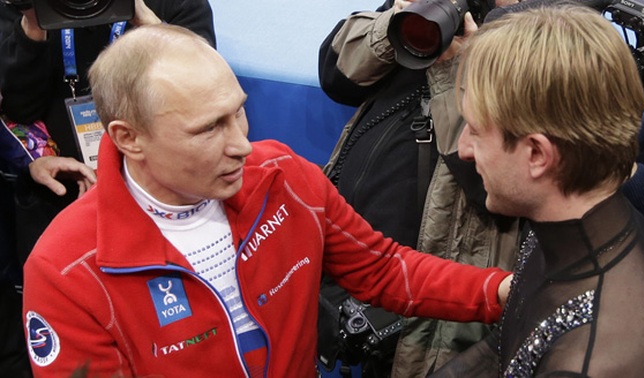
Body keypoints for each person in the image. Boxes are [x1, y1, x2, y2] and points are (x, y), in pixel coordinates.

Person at [22, 24, 515, 377]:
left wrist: (501, 293)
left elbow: (383, 270)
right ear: (129, 138)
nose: (241, 143)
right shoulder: (66, 270)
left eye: (238, 113)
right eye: (209, 128)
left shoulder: (284, 176)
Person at [431, 4, 644, 376]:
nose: (465, 149)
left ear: (537, 154)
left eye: (475, 129)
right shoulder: (574, 224)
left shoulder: (596, 361)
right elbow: (505, 345)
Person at [318, 1, 521, 376]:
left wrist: (459, 69)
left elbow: (495, 182)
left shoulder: (549, 32)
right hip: (356, 259)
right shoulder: (441, 7)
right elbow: (335, 75)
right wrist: (399, 20)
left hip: (434, 290)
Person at [0, 0, 216, 260]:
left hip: (165, 191)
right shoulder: (27, 7)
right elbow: (20, 109)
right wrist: (33, 27)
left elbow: (204, 95)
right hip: (62, 194)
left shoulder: (174, 3)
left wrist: (148, 22)